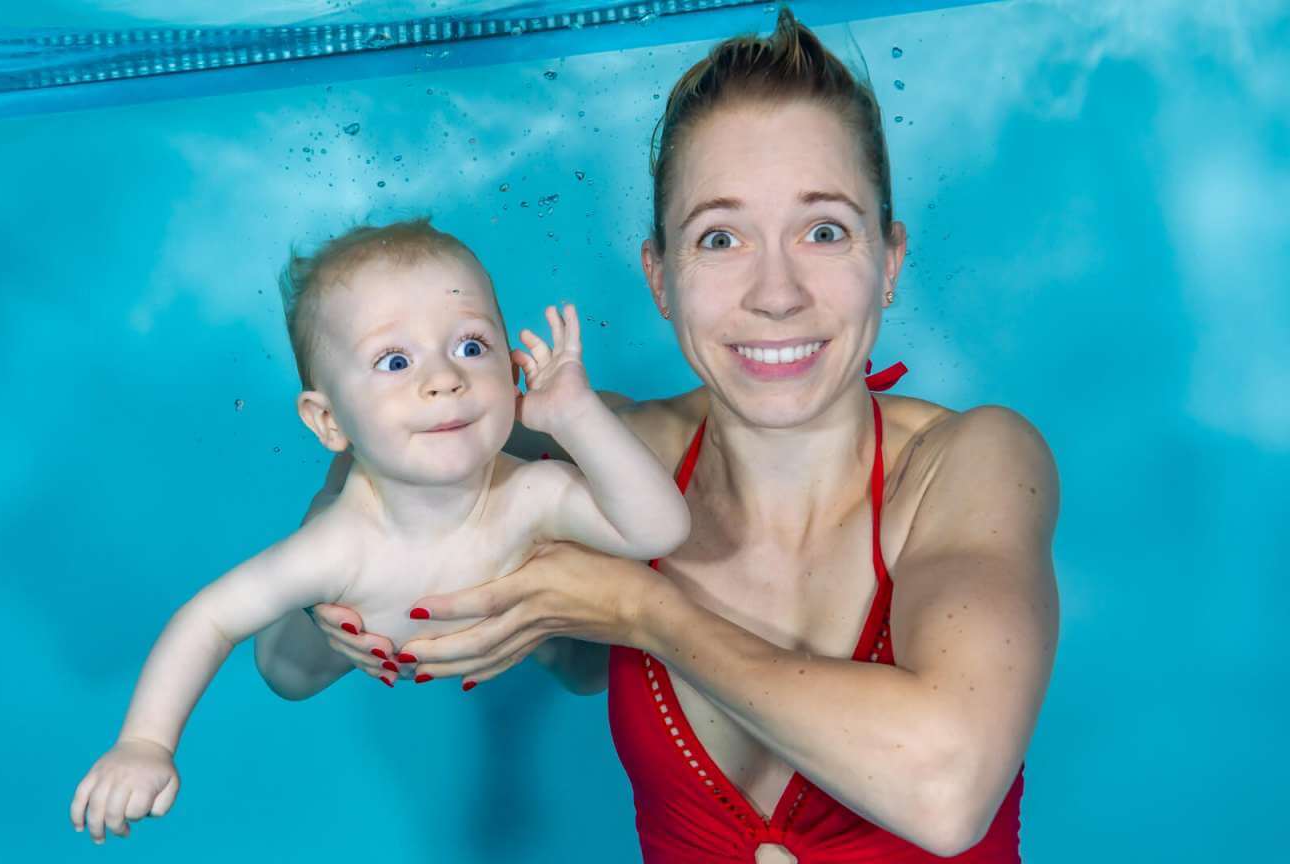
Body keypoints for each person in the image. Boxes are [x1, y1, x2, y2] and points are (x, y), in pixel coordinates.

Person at [286, 10, 1060, 863]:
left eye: (825, 230)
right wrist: (383, 472)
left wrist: (639, 610)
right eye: (720, 238)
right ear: (659, 276)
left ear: (890, 262)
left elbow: (947, 791)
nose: (776, 293)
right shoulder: (604, 457)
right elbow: (288, 665)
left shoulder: (973, 463)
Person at [67, 219, 690, 845]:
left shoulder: (528, 492)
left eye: (472, 346)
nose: (445, 378)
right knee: (284, 676)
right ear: (327, 419)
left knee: (590, 673)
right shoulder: (339, 546)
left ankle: (554, 610)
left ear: (513, 364)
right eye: (395, 361)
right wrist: (144, 742)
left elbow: (657, 529)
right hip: (377, 613)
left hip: (522, 582)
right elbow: (209, 619)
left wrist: (577, 417)